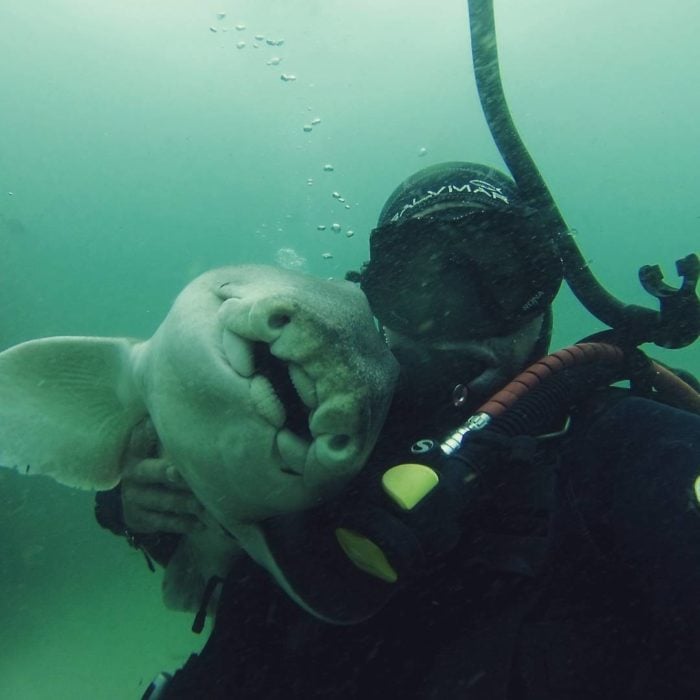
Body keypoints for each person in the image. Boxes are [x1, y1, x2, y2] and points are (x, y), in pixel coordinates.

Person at [96, 162, 700, 699]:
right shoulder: (301, 424)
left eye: (502, 275)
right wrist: (144, 503)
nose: (460, 314)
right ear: (377, 297)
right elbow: (215, 546)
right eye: (425, 279)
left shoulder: (626, 449)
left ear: (543, 302)